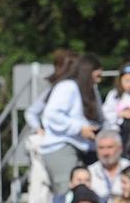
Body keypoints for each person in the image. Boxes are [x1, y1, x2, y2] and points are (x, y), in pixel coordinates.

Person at [39, 53, 103, 187]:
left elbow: (102, 119)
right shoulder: (68, 87)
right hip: (61, 147)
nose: (101, 75)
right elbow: (52, 115)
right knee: (69, 194)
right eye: (97, 71)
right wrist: (79, 129)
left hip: (83, 148)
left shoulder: (91, 90)